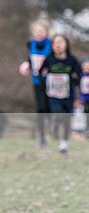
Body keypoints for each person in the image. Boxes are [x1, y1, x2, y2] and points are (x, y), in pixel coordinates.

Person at [39, 34, 82, 155]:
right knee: (58, 112)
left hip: (68, 95)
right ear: (52, 46)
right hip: (53, 95)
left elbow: (80, 74)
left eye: (61, 42)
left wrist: (73, 81)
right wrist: (45, 82)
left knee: (67, 119)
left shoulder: (72, 60)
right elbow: (40, 72)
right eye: (55, 43)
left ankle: (64, 144)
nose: (58, 45)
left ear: (66, 44)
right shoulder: (49, 59)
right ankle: (55, 127)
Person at [19, 19, 52, 147]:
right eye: (37, 31)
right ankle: (42, 138)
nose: (39, 33)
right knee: (41, 108)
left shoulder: (51, 44)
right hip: (37, 82)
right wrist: (27, 64)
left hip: (51, 82)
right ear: (33, 32)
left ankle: (51, 128)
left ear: (47, 32)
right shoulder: (30, 44)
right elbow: (30, 59)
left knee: (50, 108)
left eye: (42, 31)